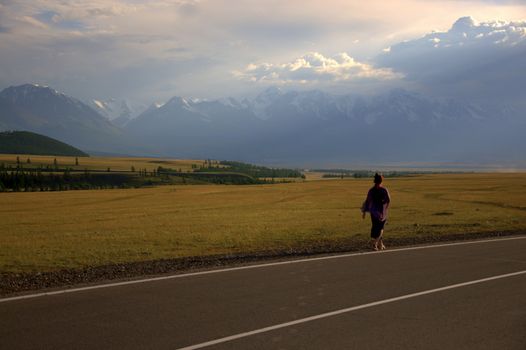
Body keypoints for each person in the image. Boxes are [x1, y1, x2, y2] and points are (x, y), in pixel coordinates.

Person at [361, 173, 391, 251]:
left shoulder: (371, 190)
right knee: (381, 228)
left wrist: (364, 211)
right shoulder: (384, 190)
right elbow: (388, 200)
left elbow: (367, 201)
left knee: (375, 227)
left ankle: (381, 244)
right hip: (381, 213)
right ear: (381, 181)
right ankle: (375, 244)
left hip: (373, 212)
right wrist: (386, 208)